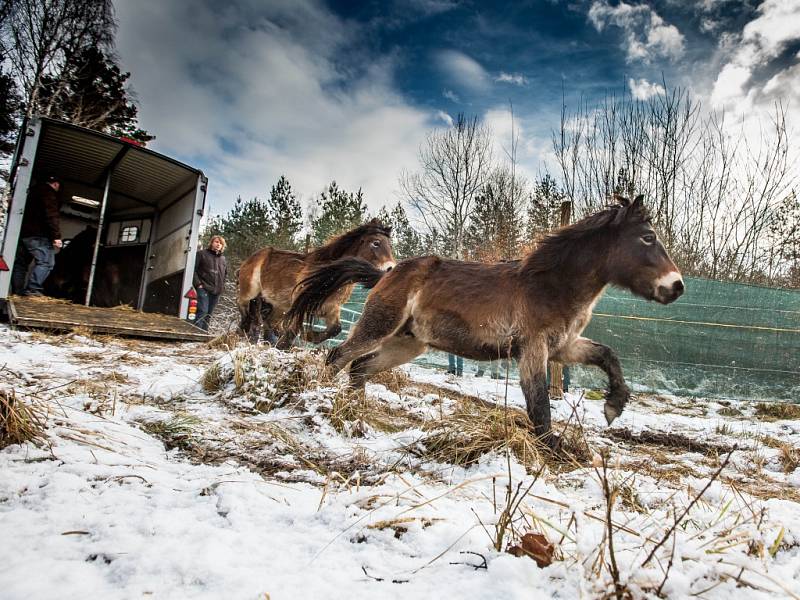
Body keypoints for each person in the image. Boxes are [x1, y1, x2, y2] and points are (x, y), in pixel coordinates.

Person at [12, 175, 63, 296]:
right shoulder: (49, 194)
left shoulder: (30, 192)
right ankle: (33, 289)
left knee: (21, 264)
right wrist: (56, 236)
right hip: (38, 235)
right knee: (46, 262)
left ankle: (17, 292)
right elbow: (51, 215)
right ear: (56, 184)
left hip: (23, 234)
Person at [193, 235, 227, 331]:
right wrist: (198, 284)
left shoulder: (223, 259)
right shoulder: (201, 254)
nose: (218, 244)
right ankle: (195, 335)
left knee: (209, 314)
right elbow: (193, 270)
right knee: (202, 311)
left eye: (220, 243)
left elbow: (224, 275)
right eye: (216, 242)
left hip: (216, 291)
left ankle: (203, 334)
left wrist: (222, 287)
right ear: (211, 243)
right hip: (203, 288)